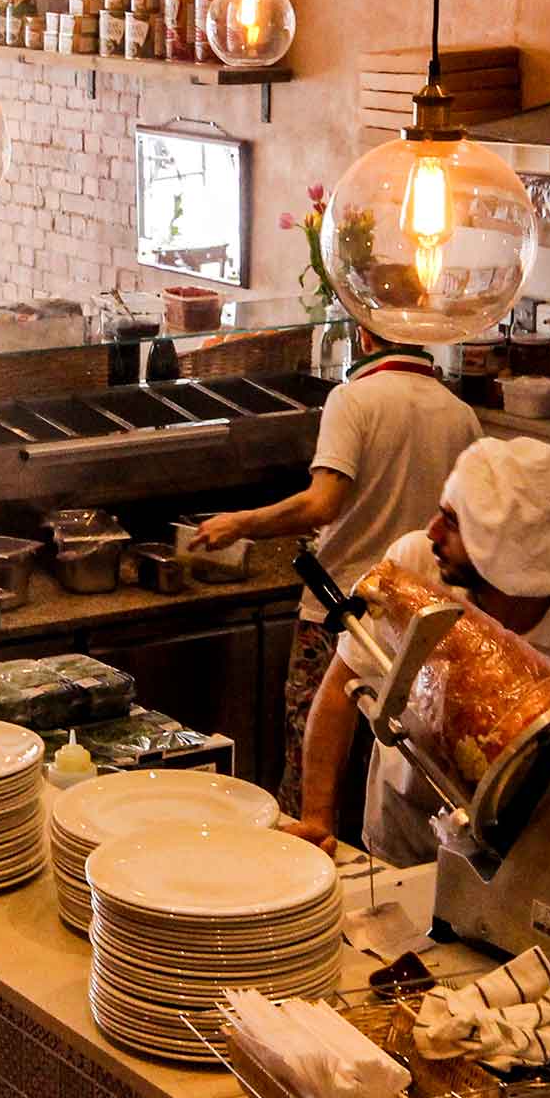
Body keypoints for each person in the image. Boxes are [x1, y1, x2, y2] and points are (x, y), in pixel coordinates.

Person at [186, 326, 479, 813]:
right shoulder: (460, 413)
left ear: (363, 336)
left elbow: (322, 504)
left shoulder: (353, 399)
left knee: (312, 771)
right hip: (419, 620)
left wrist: (240, 523)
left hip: (340, 611)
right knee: (389, 768)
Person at [301, 436, 550, 863]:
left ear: (505, 554)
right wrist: (317, 818)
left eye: (452, 523)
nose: (431, 532)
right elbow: (340, 690)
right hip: (402, 840)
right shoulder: (414, 568)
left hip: (515, 861)